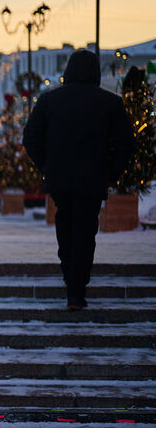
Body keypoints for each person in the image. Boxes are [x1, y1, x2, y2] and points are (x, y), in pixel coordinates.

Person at [22, 49, 134, 311]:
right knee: (85, 230)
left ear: (68, 70)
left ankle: (69, 275)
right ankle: (76, 289)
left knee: (65, 223)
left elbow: (31, 138)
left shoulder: (50, 101)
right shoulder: (110, 103)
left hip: (60, 176)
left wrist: (46, 166)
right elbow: (125, 143)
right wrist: (111, 172)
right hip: (93, 178)